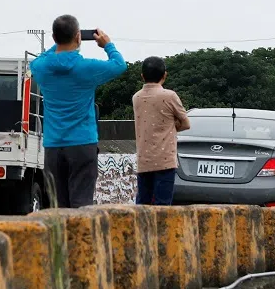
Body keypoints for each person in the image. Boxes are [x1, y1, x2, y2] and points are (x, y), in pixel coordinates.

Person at [29, 15, 127, 208]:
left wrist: (58, 43)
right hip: (82, 143)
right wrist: (108, 45)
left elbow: (39, 59)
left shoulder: (41, 68)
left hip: (53, 146)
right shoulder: (87, 67)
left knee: (58, 207)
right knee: (81, 204)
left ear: (54, 37)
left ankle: (61, 239)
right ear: (78, 36)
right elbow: (119, 65)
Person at [132, 56, 190, 206]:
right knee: (163, 205)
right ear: (165, 75)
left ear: (142, 76)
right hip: (165, 161)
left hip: (144, 159)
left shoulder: (136, 97)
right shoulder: (170, 96)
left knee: (143, 204)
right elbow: (186, 123)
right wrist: (170, 128)